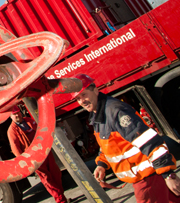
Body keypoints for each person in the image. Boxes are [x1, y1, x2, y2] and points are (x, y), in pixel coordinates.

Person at [72, 73, 180, 203]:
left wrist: (169, 174)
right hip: (146, 178)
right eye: (78, 98)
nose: (82, 101)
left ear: (95, 90)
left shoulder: (116, 112)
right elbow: (109, 145)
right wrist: (102, 164)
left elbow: (148, 141)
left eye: (84, 94)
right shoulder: (97, 116)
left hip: (149, 178)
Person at [7, 104, 71, 203]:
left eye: (18, 113)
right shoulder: (12, 131)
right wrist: (25, 161)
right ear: (10, 116)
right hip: (33, 158)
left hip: (44, 151)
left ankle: (62, 196)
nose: (17, 115)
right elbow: (15, 149)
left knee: (55, 173)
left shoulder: (28, 120)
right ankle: (60, 200)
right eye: (14, 114)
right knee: (46, 178)